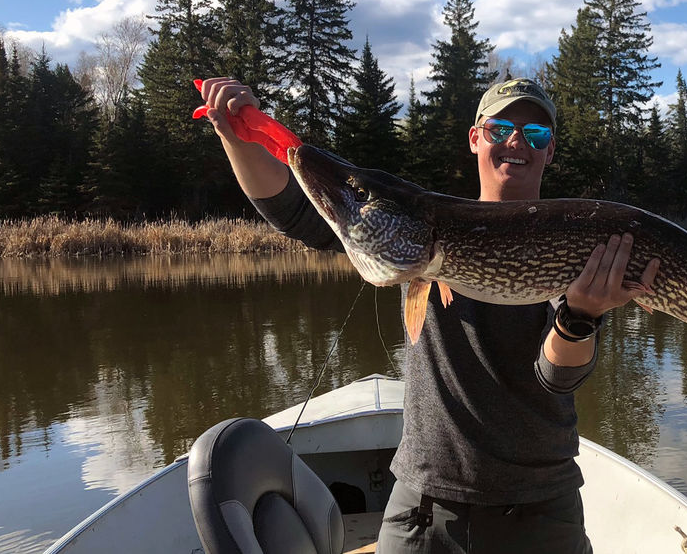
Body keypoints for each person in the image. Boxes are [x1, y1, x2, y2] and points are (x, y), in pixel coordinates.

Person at [199, 76, 660, 554]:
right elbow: (295, 211)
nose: (517, 141)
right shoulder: (424, 221)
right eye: (501, 128)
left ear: (549, 151)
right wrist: (236, 137)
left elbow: (557, 376)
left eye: (536, 134)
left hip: (541, 508)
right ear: (476, 138)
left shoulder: (571, 241)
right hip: (425, 504)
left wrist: (580, 318)